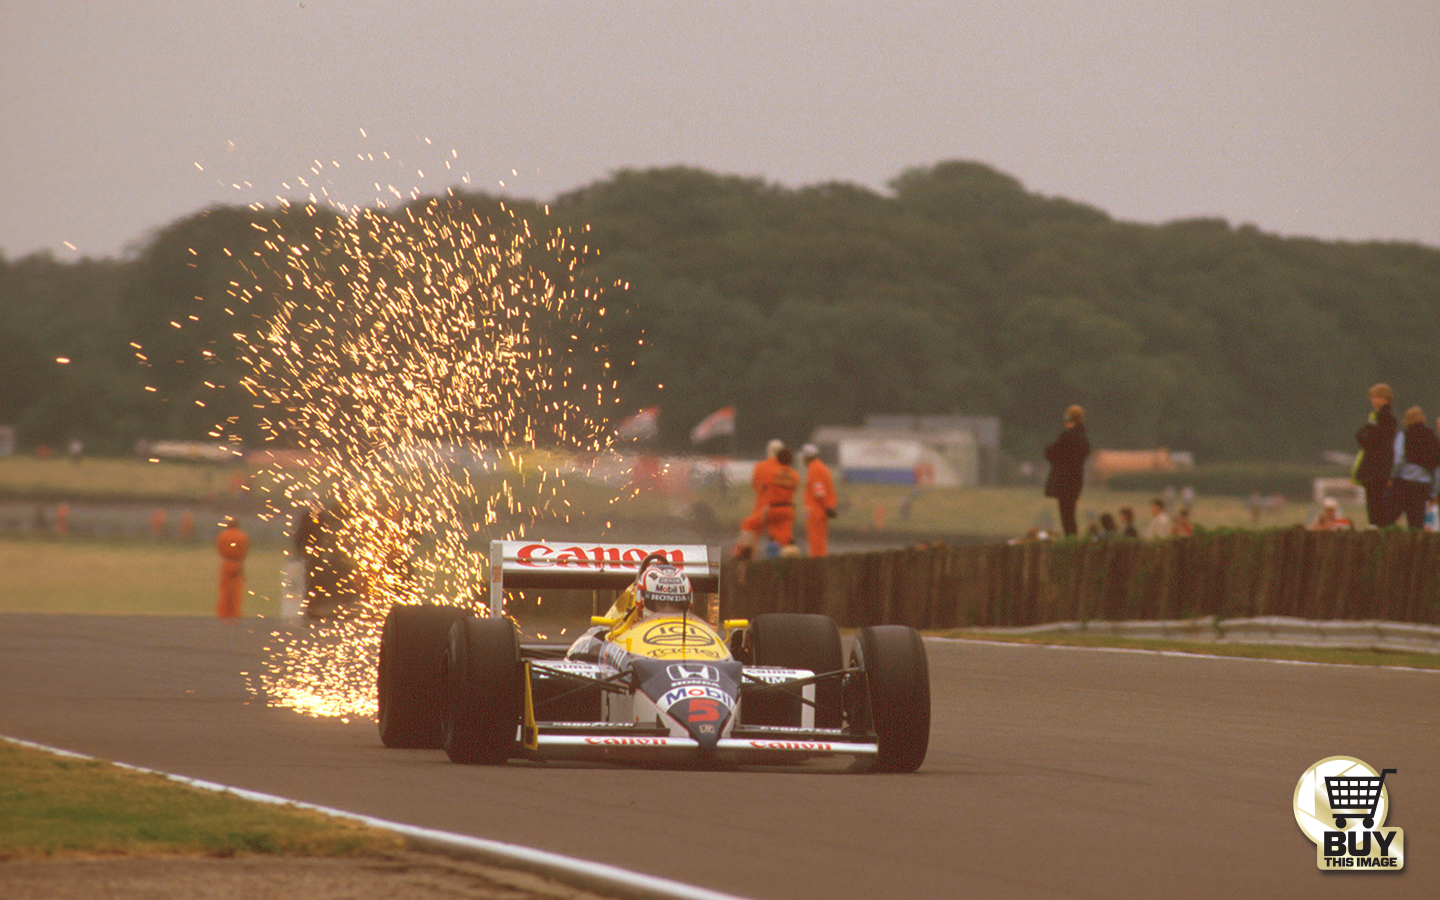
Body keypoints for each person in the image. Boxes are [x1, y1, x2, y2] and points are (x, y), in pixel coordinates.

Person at [735, 442, 800, 558]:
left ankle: (744, 552)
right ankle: (791, 556)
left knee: (748, 525)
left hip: (769, 508)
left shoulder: (764, 468)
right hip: (788, 509)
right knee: (784, 537)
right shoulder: (795, 474)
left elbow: (757, 486)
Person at [1389, 405, 1440, 530]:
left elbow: (1398, 459)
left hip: (1404, 483)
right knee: (1416, 524)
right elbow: (1437, 469)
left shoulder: (1404, 435)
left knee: (1389, 517)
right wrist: (1434, 492)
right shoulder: (1432, 438)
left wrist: (1392, 476)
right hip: (1423, 487)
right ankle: (1415, 547)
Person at [1354, 383, 1397, 527]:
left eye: (1377, 397)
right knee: (1375, 500)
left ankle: (1376, 528)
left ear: (1386, 399)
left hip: (1376, 467)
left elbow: (1373, 439)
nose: (1374, 400)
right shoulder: (1379, 416)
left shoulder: (1384, 417)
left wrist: (1363, 438)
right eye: (1373, 397)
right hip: (1380, 467)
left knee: (1375, 501)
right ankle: (1376, 527)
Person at [1043, 405, 1090, 538]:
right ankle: (1072, 539)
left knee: (1066, 515)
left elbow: (1051, 453)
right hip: (1076, 480)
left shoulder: (1068, 436)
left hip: (1064, 481)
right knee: (1070, 512)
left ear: (1069, 418)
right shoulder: (1083, 437)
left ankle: (1071, 540)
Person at [801, 443, 838, 557]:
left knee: (815, 543)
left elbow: (819, 492)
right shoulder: (822, 467)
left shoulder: (814, 469)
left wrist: (827, 507)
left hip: (815, 511)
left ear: (806, 457)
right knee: (820, 542)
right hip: (821, 510)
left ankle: (816, 567)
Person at [215, 516, 249, 619]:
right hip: (237, 563)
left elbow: (219, 548)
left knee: (225, 589)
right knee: (236, 589)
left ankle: (223, 613)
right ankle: (235, 613)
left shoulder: (222, 535)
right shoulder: (242, 536)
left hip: (226, 563)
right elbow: (245, 549)